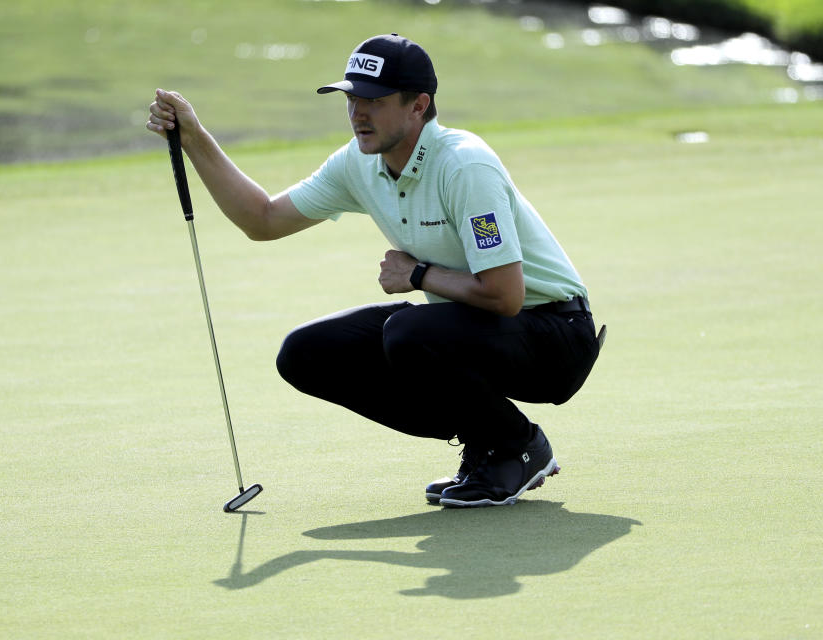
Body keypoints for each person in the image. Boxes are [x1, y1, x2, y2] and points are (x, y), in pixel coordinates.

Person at [147, 34, 605, 508]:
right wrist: (195, 139)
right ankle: (485, 439)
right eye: (351, 98)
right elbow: (262, 220)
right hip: (474, 330)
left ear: (417, 105)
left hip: (556, 336)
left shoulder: (464, 165)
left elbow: (506, 295)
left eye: (374, 100)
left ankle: (514, 446)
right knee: (306, 353)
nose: (357, 112)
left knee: (407, 333)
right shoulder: (358, 163)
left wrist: (419, 275)